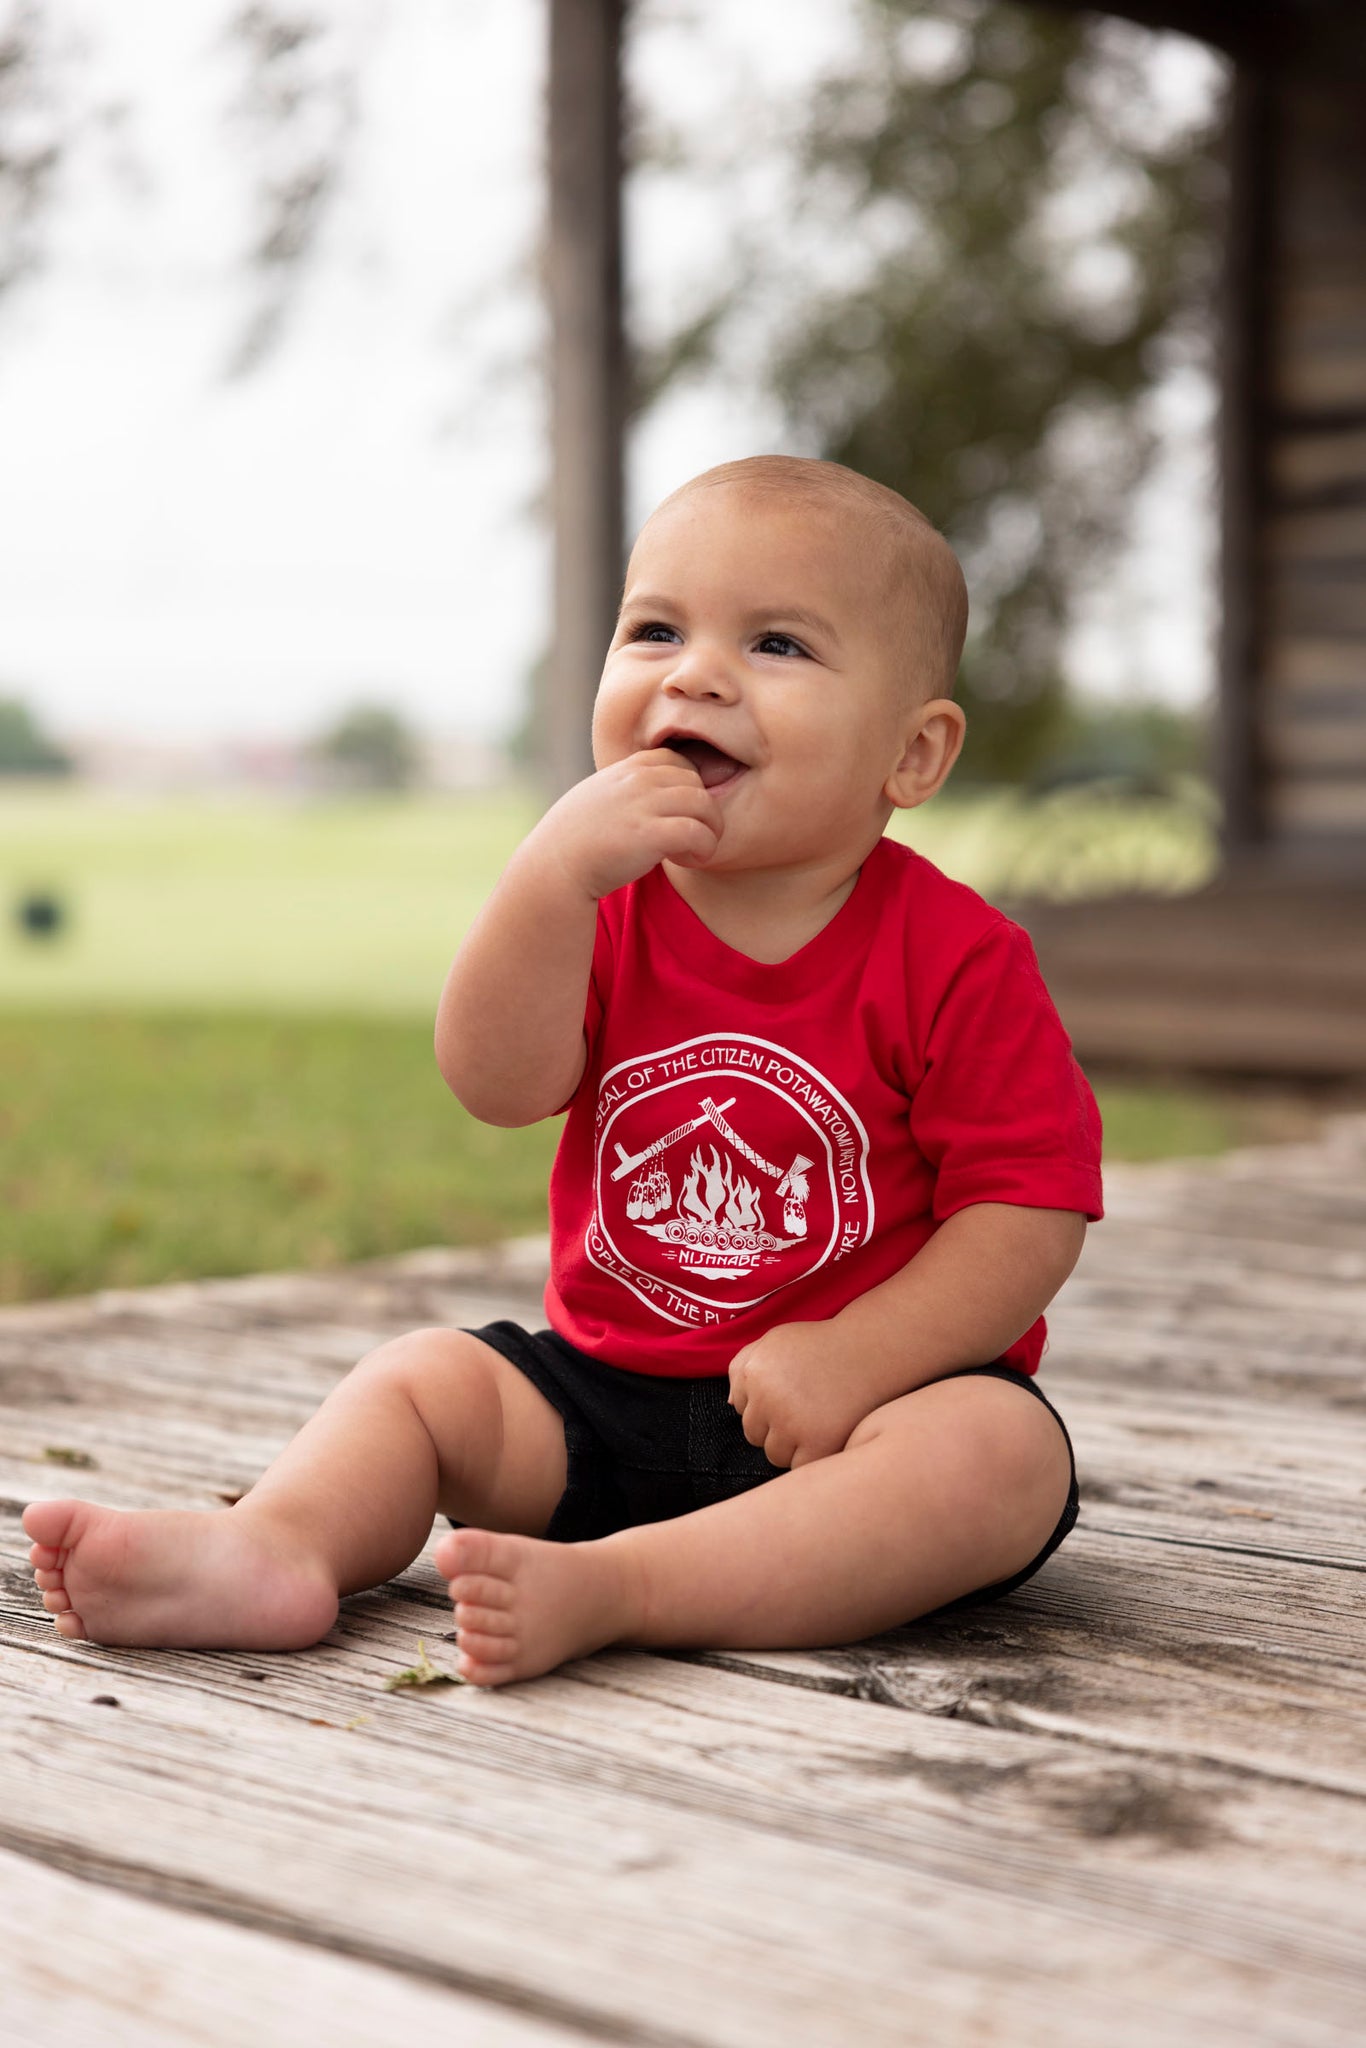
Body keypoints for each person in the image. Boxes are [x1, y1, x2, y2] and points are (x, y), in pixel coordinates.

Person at [23, 456, 1103, 1686]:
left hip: (855, 1420)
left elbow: (1026, 1212)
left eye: (779, 645)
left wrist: (858, 1354)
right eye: (655, 628)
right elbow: (494, 1080)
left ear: (912, 756)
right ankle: (274, 1545)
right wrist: (544, 882)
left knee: (995, 1457)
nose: (694, 672)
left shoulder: (955, 953)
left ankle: (624, 1587)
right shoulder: (606, 907)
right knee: (423, 1382)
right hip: (598, 1401)